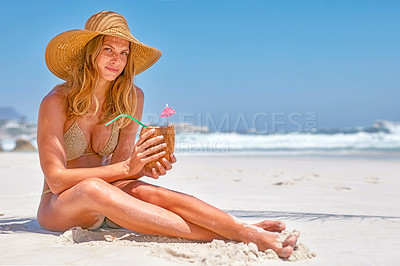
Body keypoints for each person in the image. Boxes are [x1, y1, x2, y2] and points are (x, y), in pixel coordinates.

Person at [37, 11, 298, 258]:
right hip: (60, 206)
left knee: (149, 192)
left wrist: (142, 167)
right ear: (90, 52)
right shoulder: (57, 102)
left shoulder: (131, 97)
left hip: (110, 198)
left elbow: (122, 171)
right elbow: (57, 180)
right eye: (108, 50)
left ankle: (238, 226)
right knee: (91, 189)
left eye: (123, 52)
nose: (116, 59)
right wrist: (128, 167)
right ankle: (239, 235)